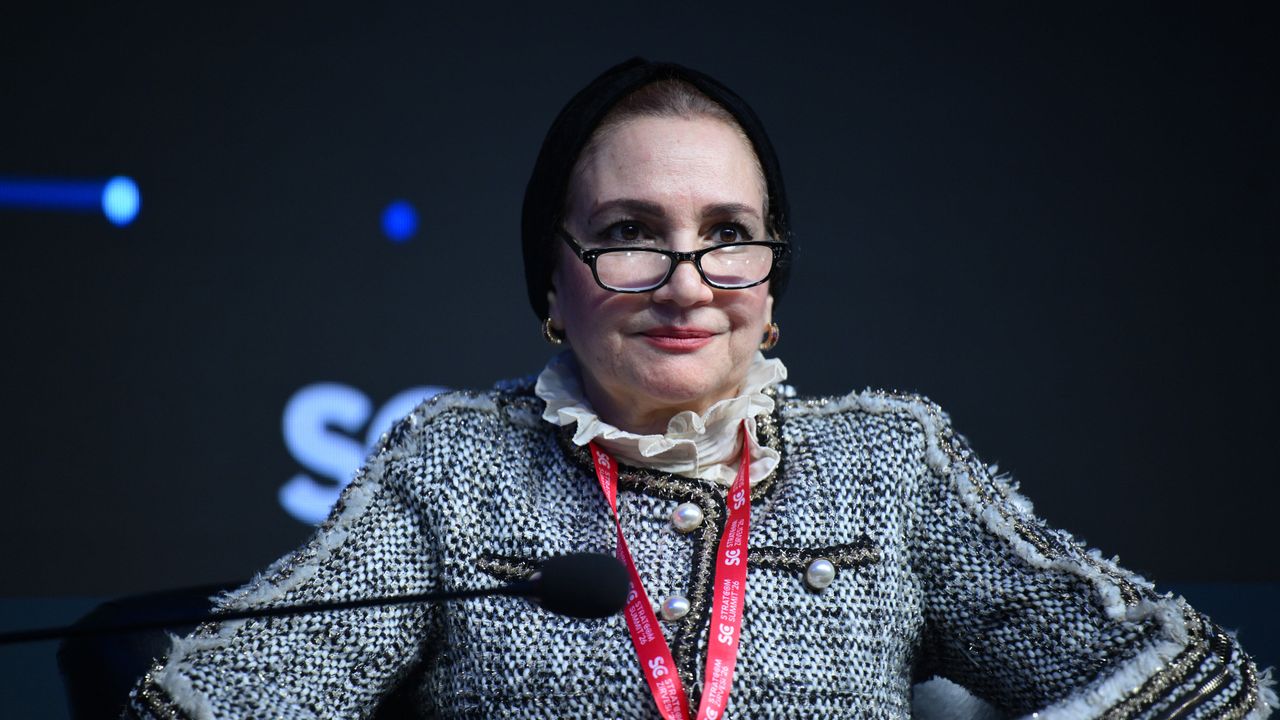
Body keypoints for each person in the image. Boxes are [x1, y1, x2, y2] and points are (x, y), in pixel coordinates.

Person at [124, 58, 1274, 719]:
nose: (686, 282)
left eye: (727, 234)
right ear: (550, 284)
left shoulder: (888, 465)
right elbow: (204, 703)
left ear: (771, 290)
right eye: (629, 232)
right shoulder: (451, 466)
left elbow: (1205, 691)